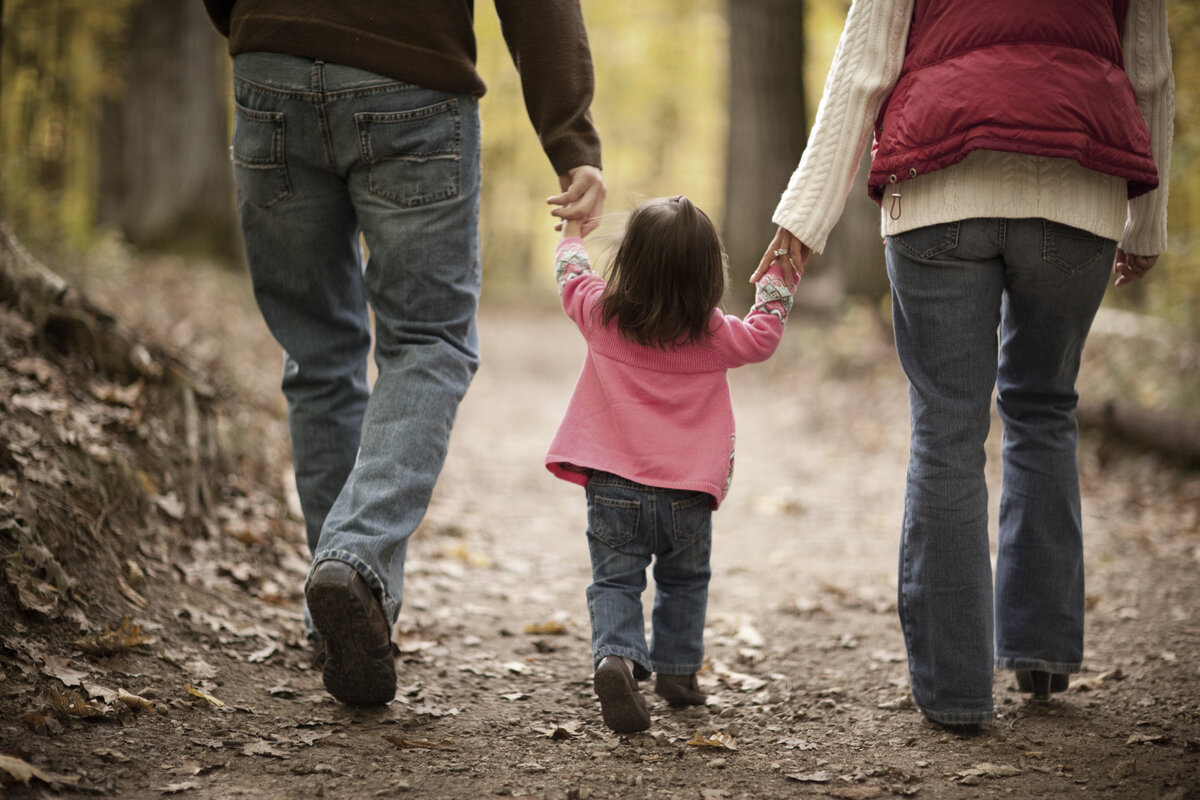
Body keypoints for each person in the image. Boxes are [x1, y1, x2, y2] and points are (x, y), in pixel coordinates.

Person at [751, 0, 1173, 726]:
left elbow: (864, 65)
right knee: (1044, 407)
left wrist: (803, 221)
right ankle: (1041, 654)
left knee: (947, 428)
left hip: (938, 181)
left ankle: (955, 693)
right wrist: (1147, 221)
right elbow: (1152, 74)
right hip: (1080, 190)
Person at [201, 2, 606, 706]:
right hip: (410, 79)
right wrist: (572, 141)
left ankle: (341, 617)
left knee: (319, 354)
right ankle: (354, 564)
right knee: (428, 341)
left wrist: (260, 23)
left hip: (270, 66)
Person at [547, 196, 797, 732]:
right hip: (687, 492)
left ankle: (616, 657)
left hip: (613, 487)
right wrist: (781, 272)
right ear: (709, 274)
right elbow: (764, 333)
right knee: (685, 582)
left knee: (615, 583)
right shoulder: (713, 334)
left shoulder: (601, 313)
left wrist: (572, 231)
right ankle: (678, 674)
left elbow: (572, 274)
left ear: (630, 261)